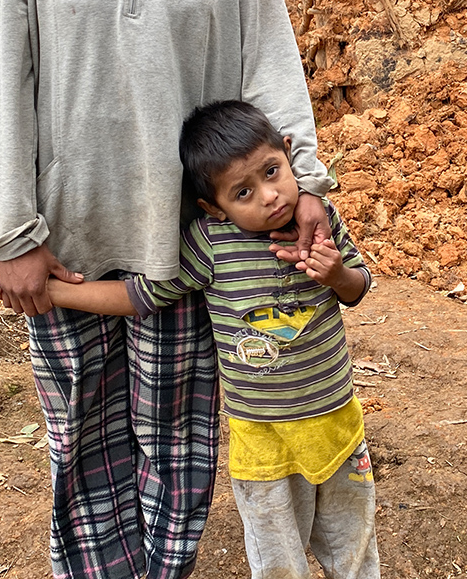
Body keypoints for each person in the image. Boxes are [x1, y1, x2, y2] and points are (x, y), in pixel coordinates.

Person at [0, 0, 332, 579]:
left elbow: (268, 60)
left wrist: (309, 183)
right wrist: (11, 234)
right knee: (81, 440)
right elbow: (2, 83)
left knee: (177, 441)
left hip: (186, 239)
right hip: (66, 242)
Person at [38, 100, 381, 579]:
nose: (269, 196)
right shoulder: (210, 243)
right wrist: (54, 292)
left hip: (337, 421)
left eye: (272, 171)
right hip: (261, 439)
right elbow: (140, 296)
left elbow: (359, 288)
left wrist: (337, 274)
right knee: (279, 561)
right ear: (214, 208)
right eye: (243, 192)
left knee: (354, 546)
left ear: (288, 153)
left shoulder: (317, 221)